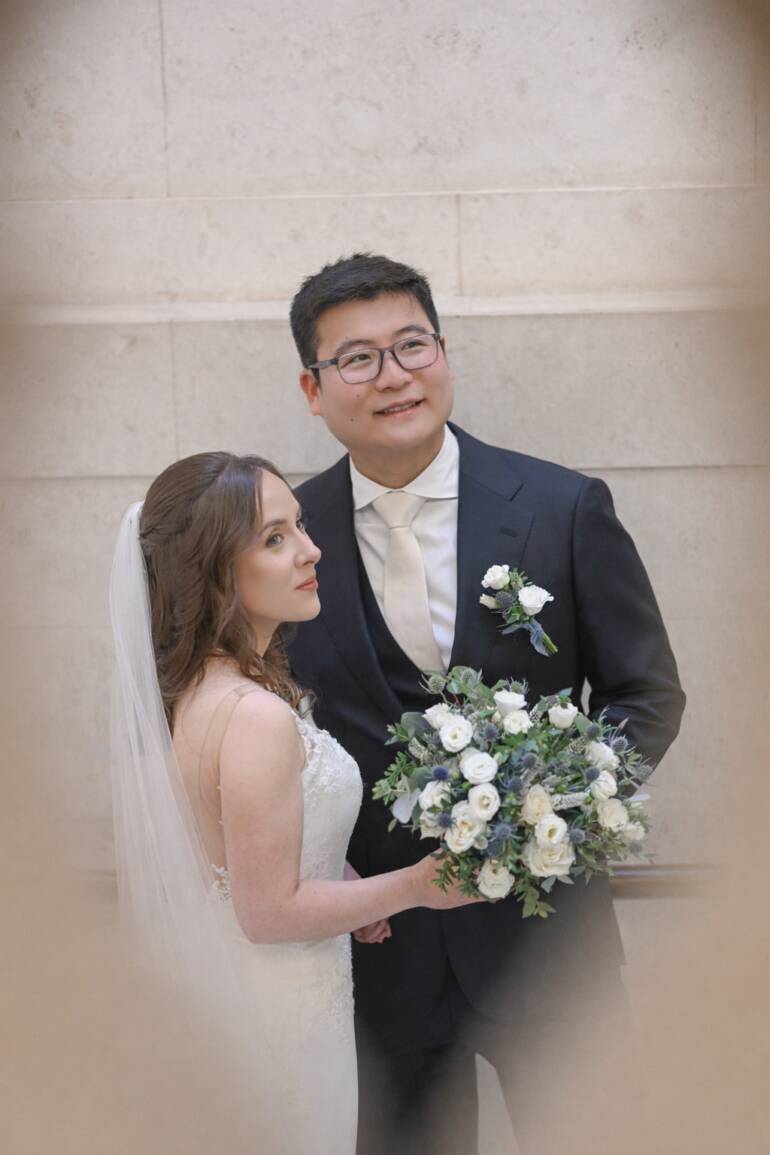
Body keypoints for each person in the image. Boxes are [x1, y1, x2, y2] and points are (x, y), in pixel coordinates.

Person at [287, 253, 686, 1155]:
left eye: (411, 344)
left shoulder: (562, 506)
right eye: (357, 359)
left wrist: (556, 801)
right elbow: (273, 717)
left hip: (551, 946)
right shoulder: (288, 532)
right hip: (377, 947)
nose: (394, 375)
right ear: (312, 389)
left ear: (444, 351)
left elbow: (644, 693)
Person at [108, 452, 479, 1155]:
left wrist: (343, 883)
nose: (311, 550)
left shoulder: (207, 692)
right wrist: (415, 887)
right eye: (275, 538)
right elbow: (266, 910)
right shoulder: (253, 715)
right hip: (274, 1018)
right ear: (214, 569)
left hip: (260, 1002)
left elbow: (233, 850)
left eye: (299, 526)